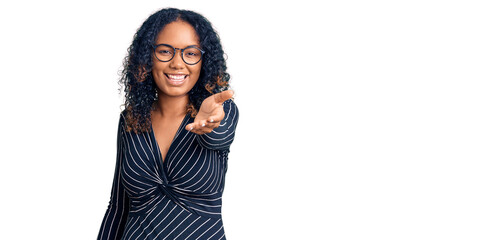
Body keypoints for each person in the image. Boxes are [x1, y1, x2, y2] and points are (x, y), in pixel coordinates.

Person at [97, 8, 239, 240]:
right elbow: (118, 208)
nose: (177, 63)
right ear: (147, 57)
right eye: (165, 51)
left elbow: (217, 137)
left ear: (204, 61)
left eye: (191, 53)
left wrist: (208, 125)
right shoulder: (131, 119)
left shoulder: (221, 111)